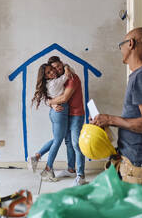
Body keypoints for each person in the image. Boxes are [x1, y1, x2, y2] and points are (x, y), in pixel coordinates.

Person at [90, 27, 142, 191]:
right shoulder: (141, 75)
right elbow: (138, 118)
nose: (120, 49)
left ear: (130, 44)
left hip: (141, 165)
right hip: (134, 161)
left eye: (121, 45)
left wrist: (110, 119)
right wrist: (106, 122)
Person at [30, 63, 73, 181]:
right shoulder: (54, 82)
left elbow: (49, 99)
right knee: (58, 140)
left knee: (56, 139)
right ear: (45, 77)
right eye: (48, 73)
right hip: (60, 112)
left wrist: (51, 103)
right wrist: (66, 67)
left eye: (52, 70)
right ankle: (48, 169)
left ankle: (37, 157)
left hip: (56, 113)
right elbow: (67, 75)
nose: (52, 72)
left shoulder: (50, 83)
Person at [48, 56, 87, 186]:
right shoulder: (59, 81)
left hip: (76, 114)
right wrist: (51, 103)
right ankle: (71, 169)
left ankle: (81, 175)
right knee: (68, 142)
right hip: (66, 115)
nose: (57, 70)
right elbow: (52, 95)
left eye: (59, 66)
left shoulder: (71, 78)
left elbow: (64, 98)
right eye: (54, 68)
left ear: (63, 65)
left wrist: (50, 102)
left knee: (76, 143)